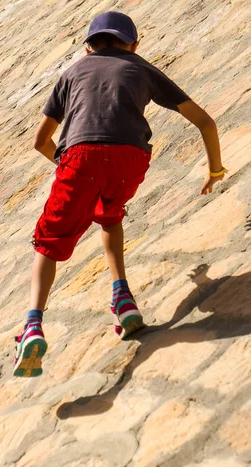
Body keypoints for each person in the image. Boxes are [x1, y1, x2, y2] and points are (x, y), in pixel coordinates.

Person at [13, 11, 226, 378]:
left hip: (79, 157)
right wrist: (215, 170)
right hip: (131, 157)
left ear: (87, 46)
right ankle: (123, 298)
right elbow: (205, 121)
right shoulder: (141, 67)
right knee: (109, 217)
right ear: (134, 44)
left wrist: (71, 169)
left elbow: (40, 141)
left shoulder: (71, 73)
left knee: (49, 241)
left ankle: (33, 324)